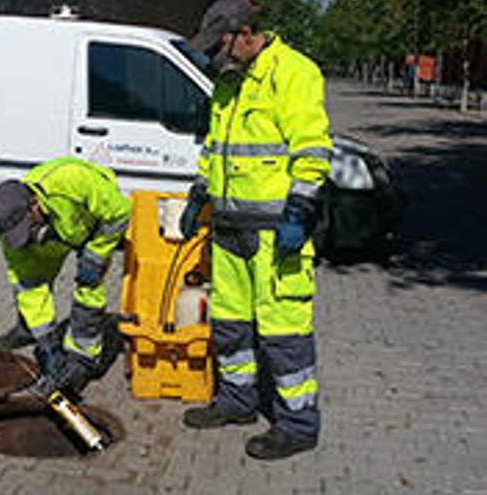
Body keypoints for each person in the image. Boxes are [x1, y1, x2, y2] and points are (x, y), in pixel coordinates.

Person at [180, 0, 332, 460]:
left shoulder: (294, 72)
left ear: (246, 32)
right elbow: (217, 147)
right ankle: (237, 401)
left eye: (221, 47)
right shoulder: (228, 82)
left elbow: (312, 151)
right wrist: (199, 193)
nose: (216, 59)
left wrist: (299, 213)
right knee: (229, 325)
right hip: (229, 229)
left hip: (273, 233)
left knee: (283, 333)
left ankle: (298, 424)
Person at [0, 157, 131, 396]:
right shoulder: (16, 242)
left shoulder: (71, 180)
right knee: (30, 289)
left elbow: (120, 213)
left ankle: (84, 358)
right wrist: (48, 345)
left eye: (27, 227)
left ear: (34, 204)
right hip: (56, 236)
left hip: (91, 227)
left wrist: (97, 254)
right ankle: (30, 332)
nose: (26, 237)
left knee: (89, 289)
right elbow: (31, 289)